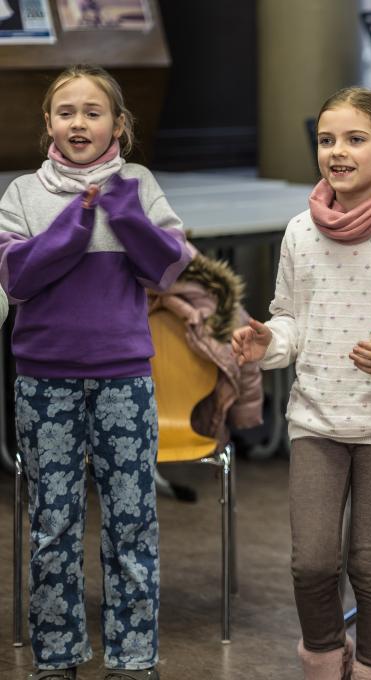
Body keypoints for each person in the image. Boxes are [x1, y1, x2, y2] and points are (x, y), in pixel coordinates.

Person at [231, 87, 371, 680]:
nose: (337, 151)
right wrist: (268, 344)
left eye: (355, 139)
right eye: (327, 139)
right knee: (311, 563)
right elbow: (290, 321)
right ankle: (326, 660)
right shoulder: (300, 232)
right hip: (317, 418)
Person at [0, 64, 192, 680]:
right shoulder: (22, 194)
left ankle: (134, 656)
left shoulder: (138, 183)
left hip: (123, 380)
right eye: (66, 112)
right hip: (43, 381)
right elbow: (17, 277)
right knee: (53, 522)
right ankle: (57, 654)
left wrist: (122, 211)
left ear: (119, 123)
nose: (78, 122)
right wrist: (77, 222)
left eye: (92, 111)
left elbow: (167, 270)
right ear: (48, 124)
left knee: (131, 518)